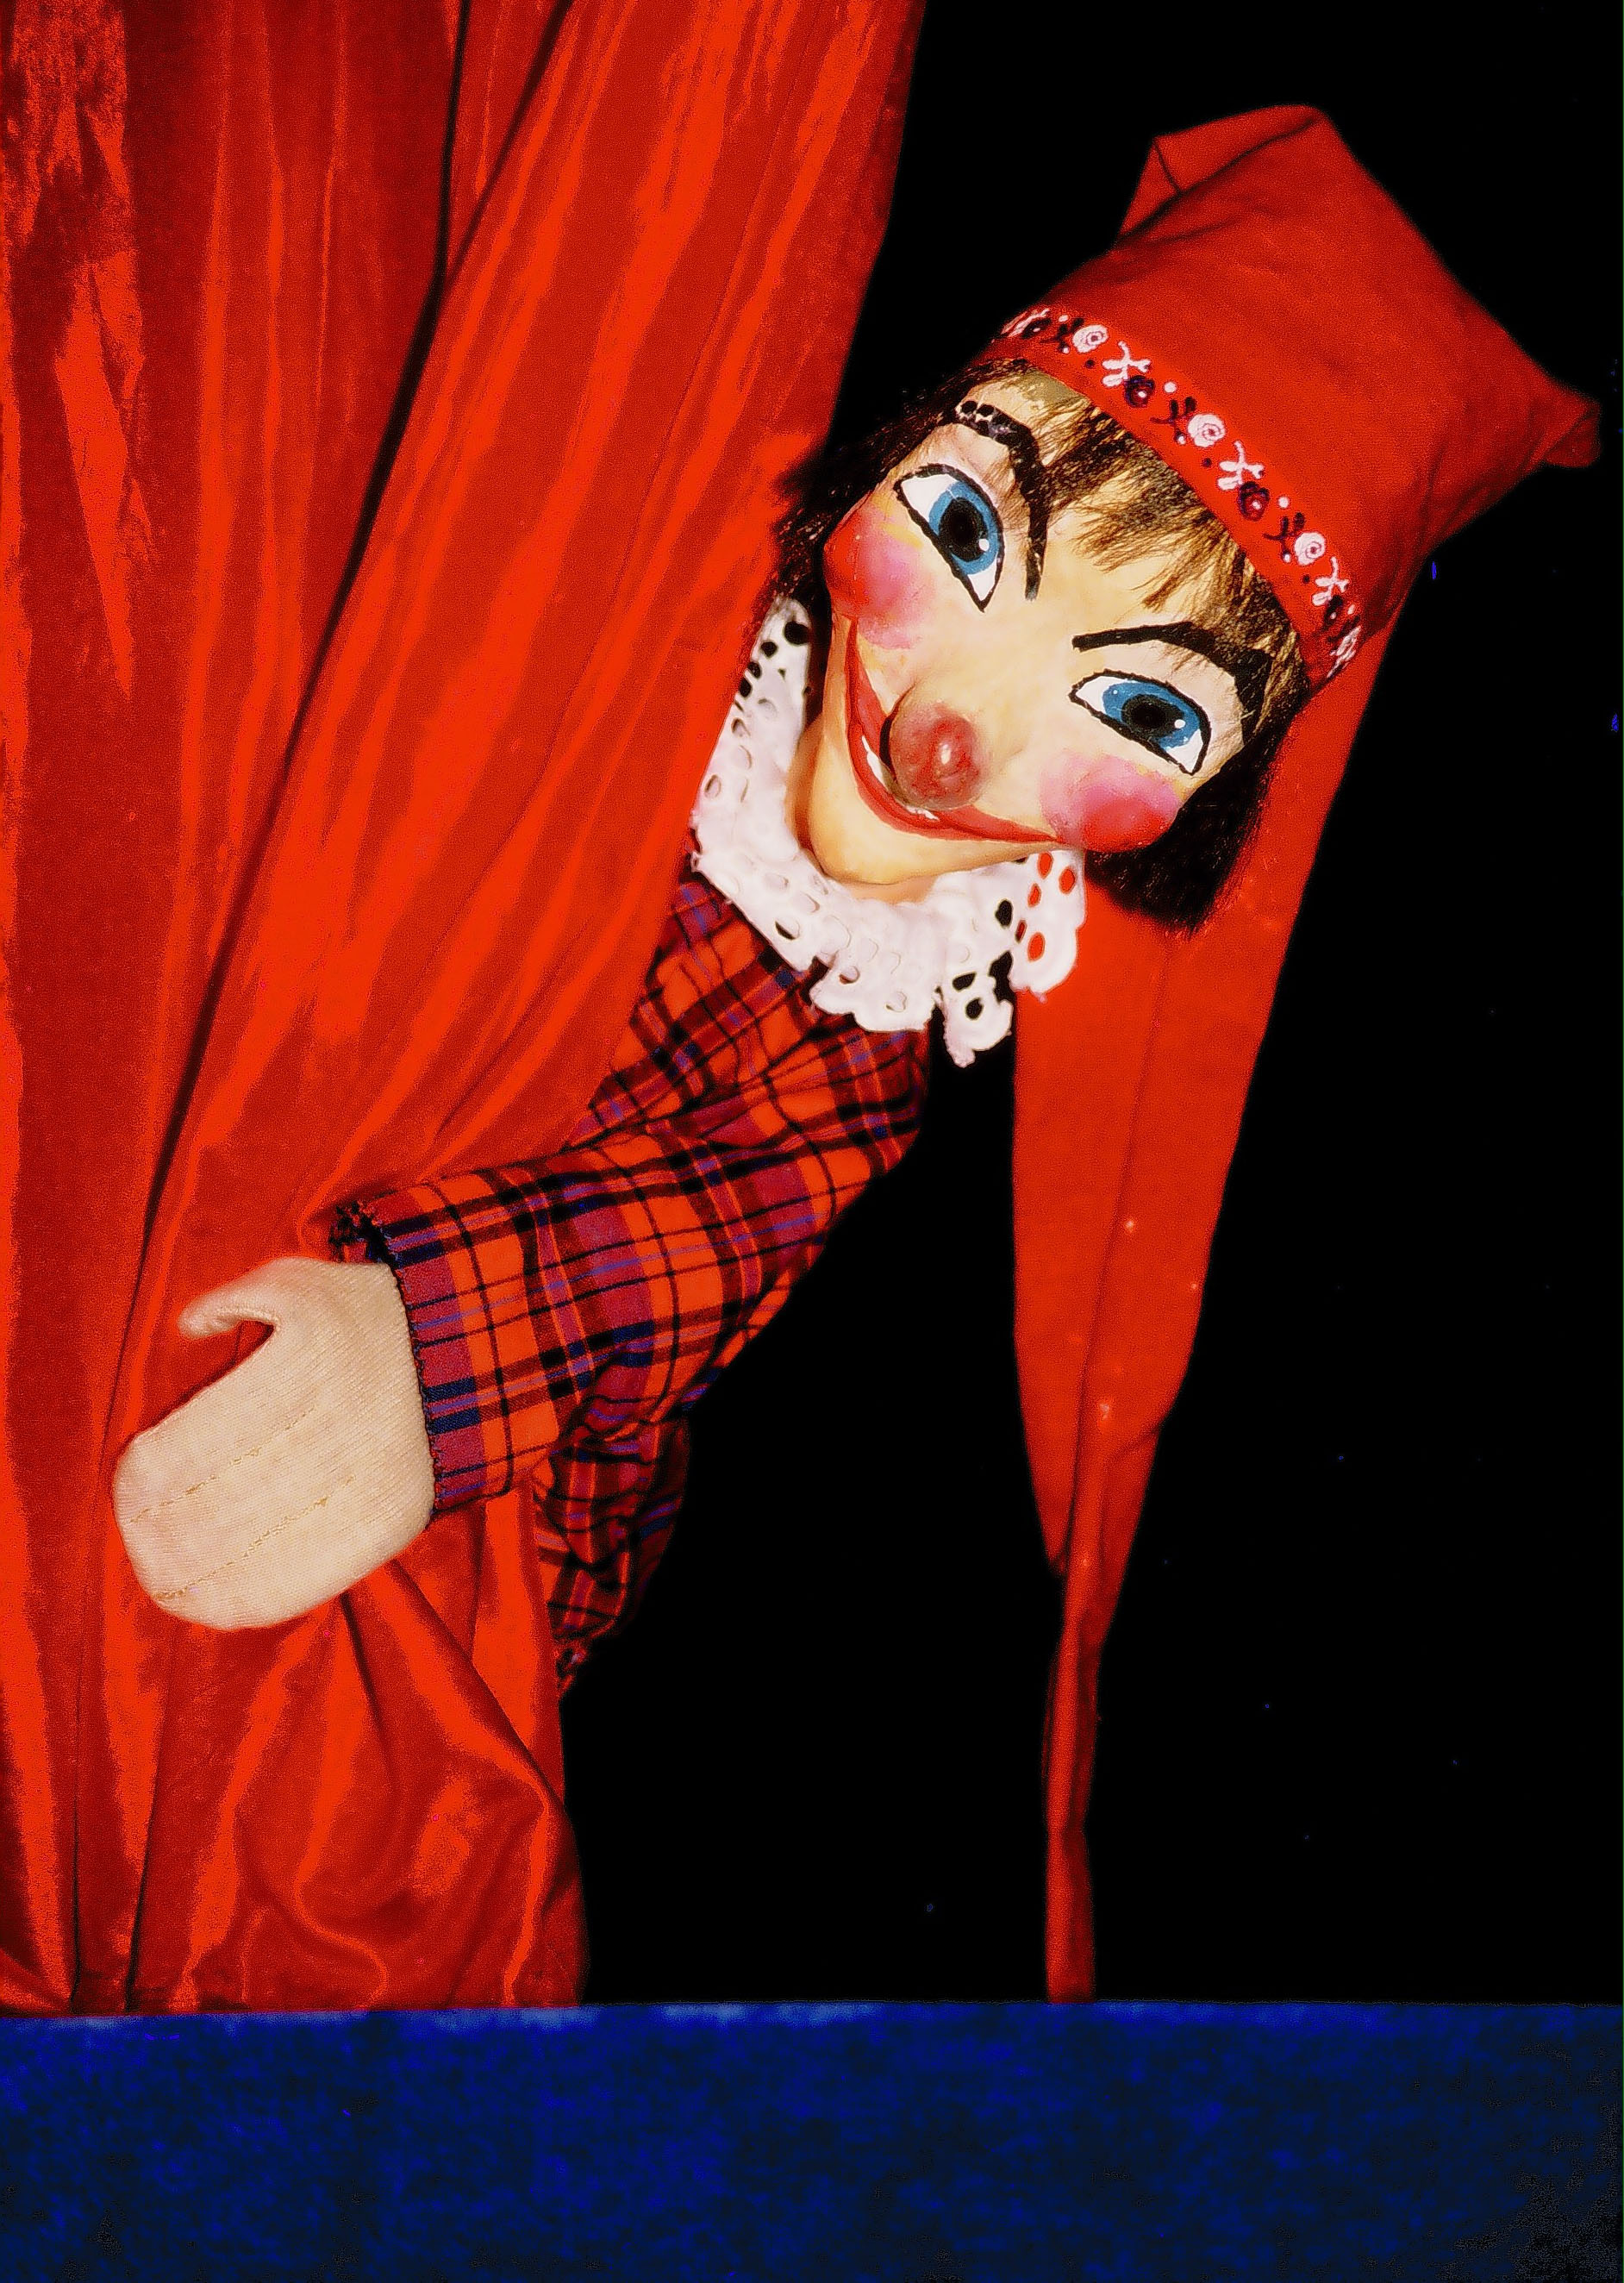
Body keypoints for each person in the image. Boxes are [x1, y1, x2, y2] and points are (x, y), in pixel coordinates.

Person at [110, 105, 1595, 1994]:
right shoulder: (639, 623)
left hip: (418, 1572)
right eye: (969, 531)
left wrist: (421, 1344)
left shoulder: (865, 1030)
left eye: (1139, 707)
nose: (950, 729)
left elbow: (667, 1246)